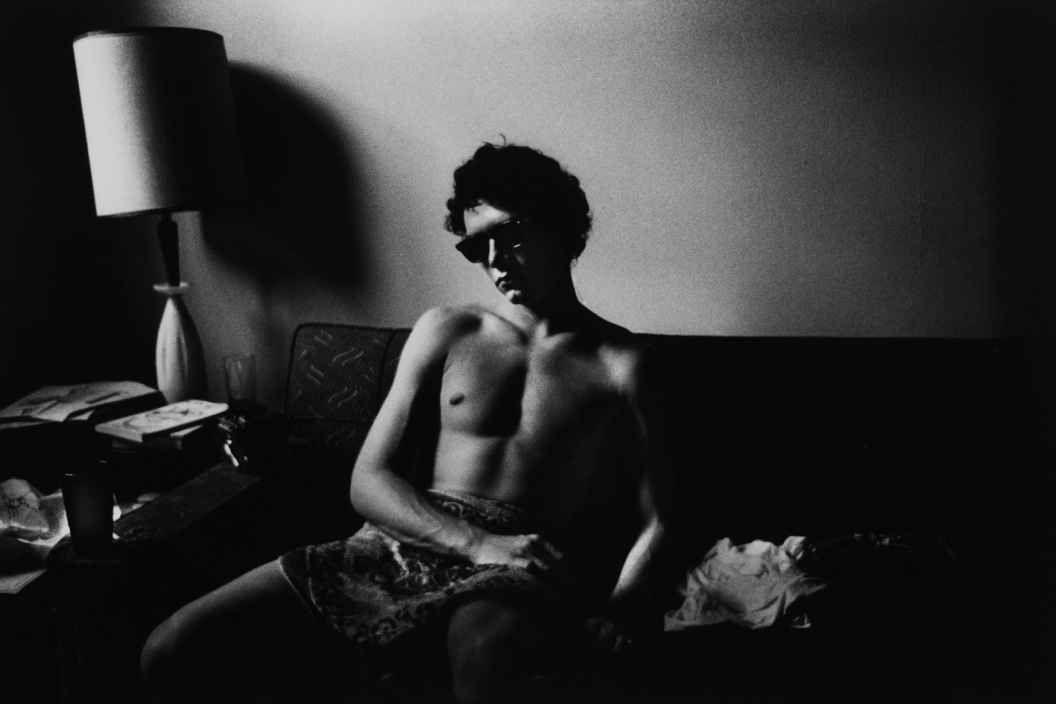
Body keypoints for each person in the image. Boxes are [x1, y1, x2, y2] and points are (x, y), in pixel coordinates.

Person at [140, 141, 669, 704]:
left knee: (486, 659)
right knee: (171, 646)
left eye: (510, 234)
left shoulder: (625, 364)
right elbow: (368, 480)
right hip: (404, 538)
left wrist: (621, 608)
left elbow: (660, 518)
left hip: (516, 563)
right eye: (477, 246)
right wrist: (475, 542)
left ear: (559, 225)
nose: (494, 260)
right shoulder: (447, 330)